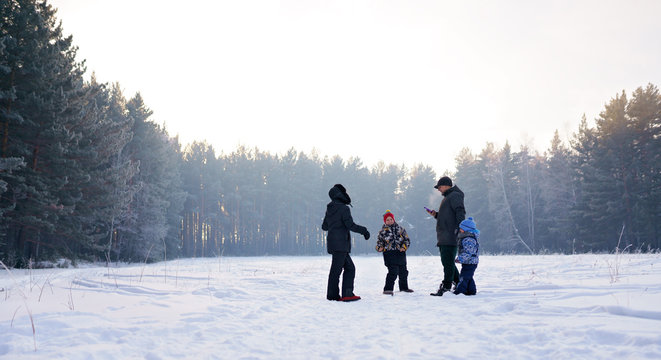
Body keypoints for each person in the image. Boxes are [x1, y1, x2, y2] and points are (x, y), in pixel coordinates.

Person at [321, 184, 370, 302]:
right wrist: (364, 231)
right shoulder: (344, 208)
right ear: (340, 195)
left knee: (346, 268)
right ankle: (342, 294)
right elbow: (350, 225)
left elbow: (324, 227)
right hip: (341, 243)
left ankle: (340, 294)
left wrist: (334, 223)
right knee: (340, 270)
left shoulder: (330, 208)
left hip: (333, 244)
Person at [428, 176, 466, 296]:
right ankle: (459, 283)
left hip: (450, 235)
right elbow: (447, 217)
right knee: (448, 262)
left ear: (446, 185)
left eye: (439, 187)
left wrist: (461, 227)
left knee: (448, 262)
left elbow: (460, 210)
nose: (438, 189)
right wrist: (436, 215)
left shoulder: (454, 196)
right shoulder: (448, 197)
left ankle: (446, 286)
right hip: (445, 236)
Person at [376, 210, 414, 295]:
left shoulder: (400, 229)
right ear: (385, 221)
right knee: (393, 271)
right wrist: (379, 247)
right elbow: (379, 242)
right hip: (389, 254)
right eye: (387, 220)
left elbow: (406, 240)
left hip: (400, 253)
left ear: (394, 219)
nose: (390, 221)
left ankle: (404, 287)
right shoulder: (382, 232)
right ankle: (388, 289)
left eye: (391, 219)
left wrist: (404, 247)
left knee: (403, 271)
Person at [454, 217, 479, 295]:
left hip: (470, 262)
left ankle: (460, 291)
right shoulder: (466, 238)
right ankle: (471, 291)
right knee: (468, 277)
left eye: (461, 228)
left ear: (466, 229)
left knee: (464, 277)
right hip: (469, 262)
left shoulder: (469, 239)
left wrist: (460, 259)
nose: (460, 230)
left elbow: (469, 252)